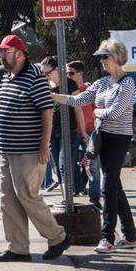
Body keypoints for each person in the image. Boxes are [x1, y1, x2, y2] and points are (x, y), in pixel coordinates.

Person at [0, 34, 73, 262]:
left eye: (4, 52)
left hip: (28, 150)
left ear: (19, 53)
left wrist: (44, 144)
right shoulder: (6, 76)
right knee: (8, 200)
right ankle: (17, 248)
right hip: (8, 148)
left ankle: (57, 237)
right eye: (0, 52)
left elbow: (47, 111)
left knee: (27, 196)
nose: (1, 55)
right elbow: (6, 110)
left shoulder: (35, 77)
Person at [51, 39, 136, 254]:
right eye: (100, 58)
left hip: (119, 138)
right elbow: (78, 100)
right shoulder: (101, 83)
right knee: (114, 184)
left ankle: (107, 237)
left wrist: (98, 112)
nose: (102, 61)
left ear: (117, 57)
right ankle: (130, 235)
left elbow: (115, 113)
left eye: (105, 57)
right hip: (102, 137)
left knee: (108, 185)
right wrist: (52, 95)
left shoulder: (127, 83)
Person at [38, 56, 84, 193]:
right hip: (51, 131)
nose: (45, 76)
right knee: (57, 166)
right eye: (42, 74)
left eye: (47, 73)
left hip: (68, 129)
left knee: (64, 163)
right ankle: (67, 195)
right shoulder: (44, 86)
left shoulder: (69, 84)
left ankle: (68, 196)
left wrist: (83, 131)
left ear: (56, 69)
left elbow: (78, 107)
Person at [67, 60, 101, 207]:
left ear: (80, 73)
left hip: (90, 132)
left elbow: (97, 110)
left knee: (93, 165)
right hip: (74, 133)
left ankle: (94, 197)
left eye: (71, 73)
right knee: (70, 165)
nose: (68, 76)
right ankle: (74, 191)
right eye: (66, 73)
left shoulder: (89, 90)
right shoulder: (67, 89)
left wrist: (96, 130)